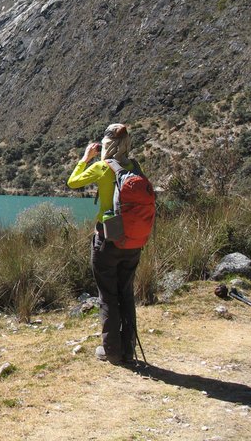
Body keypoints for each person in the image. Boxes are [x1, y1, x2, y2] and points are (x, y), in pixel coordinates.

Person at [67, 123, 142, 364]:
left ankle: (111, 351)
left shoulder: (102, 167)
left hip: (107, 240)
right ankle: (128, 349)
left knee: (108, 296)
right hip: (133, 242)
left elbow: (73, 182)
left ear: (106, 145)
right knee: (126, 294)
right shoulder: (134, 167)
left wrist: (85, 157)